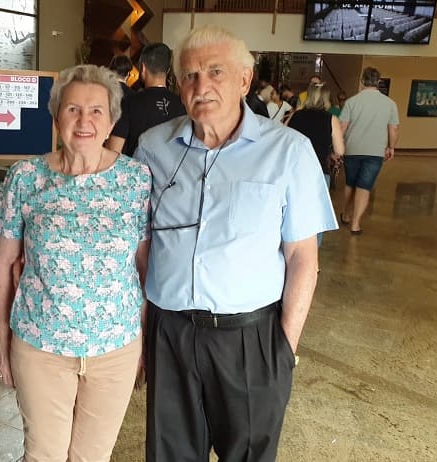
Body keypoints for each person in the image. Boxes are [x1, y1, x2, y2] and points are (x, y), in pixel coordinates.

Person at [134, 25, 337, 462]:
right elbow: (142, 247)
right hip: (170, 334)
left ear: (245, 80)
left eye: (215, 72)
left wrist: (284, 348)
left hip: (250, 339)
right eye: (189, 75)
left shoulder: (289, 151)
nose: (201, 86)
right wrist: (142, 333)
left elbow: (303, 256)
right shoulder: (153, 147)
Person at [0, 64, 152, 462]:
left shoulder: (136, 180)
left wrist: (144, 343)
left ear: (113, 118)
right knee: (43, 455)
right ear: (56, 116)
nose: (84, 121)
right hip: (40, 346)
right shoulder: (26, 177)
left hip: (115, 348)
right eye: (72, 109)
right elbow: (5, 261)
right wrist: (2, 340)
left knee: (91, 458)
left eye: (96, 111)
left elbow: (145, 266)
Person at [339, 66, 400, 235]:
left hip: (352, 149)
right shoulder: (390, 104)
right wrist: (391, 147)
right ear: (378, 82)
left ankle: (346, 213)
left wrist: (337, 147)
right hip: (375, 152)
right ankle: (355, 224)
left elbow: (342, 126)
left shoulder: (352, 102)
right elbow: (393, 128)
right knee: (364, 186)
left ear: (362, 81)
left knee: (350, 183)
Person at [287, 82, 346, 245]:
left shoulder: (296, 115)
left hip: (294, 171)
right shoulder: (331, 119)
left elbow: (283, 140)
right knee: (316, 214)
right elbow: (340, 150)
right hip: (319, 171)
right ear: (327, 98)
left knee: (293, 212)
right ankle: (313, 260)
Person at [106, 42, 186, 156]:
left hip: (136, 171)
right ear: (168, 70)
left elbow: (113, 152)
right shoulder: (183, 104)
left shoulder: (129, 102)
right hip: (173, 173)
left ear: (143, 68)